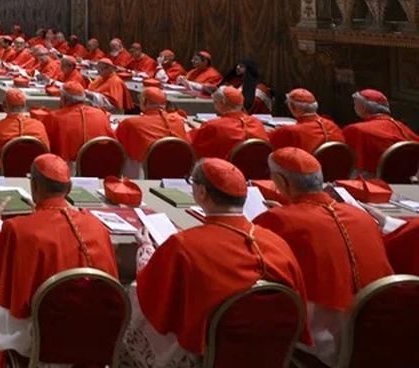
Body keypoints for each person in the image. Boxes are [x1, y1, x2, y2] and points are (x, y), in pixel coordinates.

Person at [120, 159, 309, 367]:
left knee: (133, 292)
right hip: (268, 351)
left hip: (206, 353)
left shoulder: (184, 244)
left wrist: (146, 248)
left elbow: (153, 291)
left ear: (201, 193)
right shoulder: (277, 243)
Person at [0, 154, 119, 367]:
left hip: (40, 336)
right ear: (68, 189)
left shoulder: (19, 229)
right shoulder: (97, 227)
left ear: (33, 186)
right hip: (93, 332)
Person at [255, 148, 392, 365]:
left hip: (323, 343)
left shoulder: (278, 220)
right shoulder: (362, 217)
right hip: (378, 333)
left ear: (281, 181)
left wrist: (282, 213)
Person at [115, 86, 189, 177]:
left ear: (145, 101)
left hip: (145, 173)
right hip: (178, 172)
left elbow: (116, 148)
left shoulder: (130, 123)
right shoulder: (178, 121)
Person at [342, 88, 419, 174]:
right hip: (409, 183)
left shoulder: (355, 130)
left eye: (355, 103)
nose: (354, 106)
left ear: (362, 107)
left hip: (371, 182)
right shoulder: (404, 129)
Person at [0, 89, 49, 171]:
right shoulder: (39, 126)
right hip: (33, 173)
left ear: (4, 105)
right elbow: (46, 152)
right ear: (24, 106)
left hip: (2, 174)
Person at [189, 86, 270, 159]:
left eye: (215, 102)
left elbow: (193, 148)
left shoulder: (213, 126)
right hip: (255, 172)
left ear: (222, 103)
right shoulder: (257, 122)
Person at [45, 81, 115, 162]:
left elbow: (45, 146)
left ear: (63, 99)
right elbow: (112, 143)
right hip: (98, 164)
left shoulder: (54, 117)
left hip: (65, 166)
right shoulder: (101, 114)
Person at [267, 88, 344, 152]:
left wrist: (278, 131)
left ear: (293, 107)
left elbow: (268, 144)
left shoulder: (290, 131)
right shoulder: (333, 125)